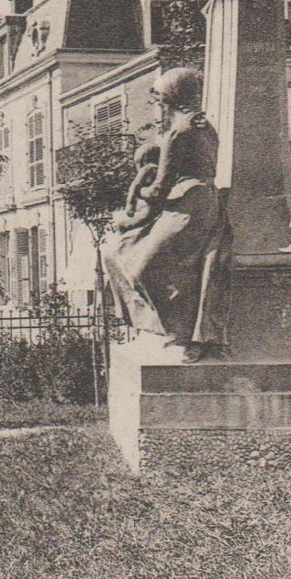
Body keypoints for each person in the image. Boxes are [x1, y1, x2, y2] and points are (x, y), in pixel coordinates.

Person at [101, 67, 230, 361]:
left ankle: (178, 335)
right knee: (157, 261)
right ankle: (177, 333)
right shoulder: (203, 126)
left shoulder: (179, 132)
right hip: (202, 202)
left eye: (159, 98)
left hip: (186, 205)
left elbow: (160, 189)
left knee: (145, 265)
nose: (158, 104)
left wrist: (137, 192)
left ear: (170, 97)